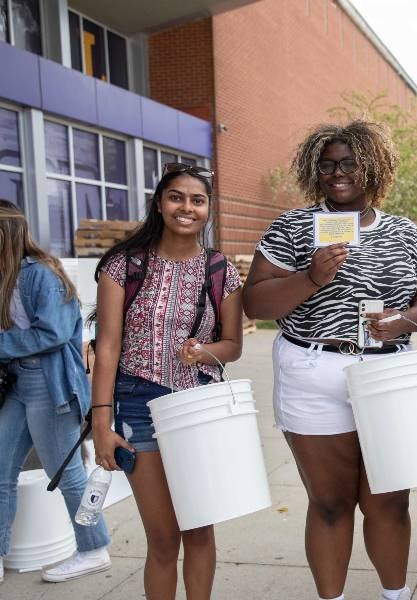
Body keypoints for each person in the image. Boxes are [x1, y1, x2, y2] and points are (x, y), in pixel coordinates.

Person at [243, 121, 417, 600]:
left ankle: (396, 596)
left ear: (373, 167)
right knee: (329, 504)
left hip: (386, 372)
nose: (337, 173)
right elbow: (255, 304)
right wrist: (309, 278)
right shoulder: (292, 226)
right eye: (327, 165)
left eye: (349, 163)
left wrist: (403, 320)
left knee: (389, 501)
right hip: (313, 371)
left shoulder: (404, 232)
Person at [91, 164, 243, 600]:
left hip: (199, 408)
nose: (186, 208)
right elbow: (107, 348)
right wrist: (103, 425)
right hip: (140, 403)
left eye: (197, 200)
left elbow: (233, 345)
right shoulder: (123, 266)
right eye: (176, 197)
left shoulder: (221, 271)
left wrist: (205, 352)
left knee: (198, 531)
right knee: (162, 539)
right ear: (160, 204)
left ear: (208, 209)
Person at [0, 200, 112, 584]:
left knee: (67, 474)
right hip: (18, 382)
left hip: (49, 385)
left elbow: (54, 332)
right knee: (0, 471)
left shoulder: (40, 275)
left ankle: (94, 549)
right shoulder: (6, 274)